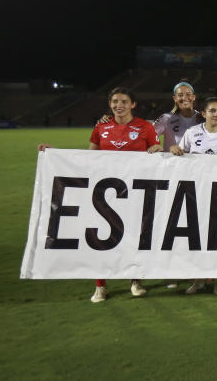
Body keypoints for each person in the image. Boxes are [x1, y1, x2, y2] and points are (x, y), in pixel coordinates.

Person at [39, 87, 163, 303]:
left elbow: (157, 152)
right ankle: (100, 286)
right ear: (110, 104)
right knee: (99, 237)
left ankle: (135, 280)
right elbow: (89, 157)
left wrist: (156, 149)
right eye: (115, 101)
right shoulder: (102, 127)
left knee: (134, 237)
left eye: (124, 101)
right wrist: (53, 154)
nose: (119, 105)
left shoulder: (145, 126)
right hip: (104, 191)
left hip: (134, 193)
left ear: (133, 104)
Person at [170, 97, 217, 295]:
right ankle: (199, 279)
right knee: (197, 236)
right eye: (212, 110)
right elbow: (181, 154)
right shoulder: (191, 133)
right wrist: (173, 149)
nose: (216, 114)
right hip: (196, 192)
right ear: (203, 113)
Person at [152, 81, 204, 152]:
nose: (184, 98)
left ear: (193, 97)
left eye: (188, 94)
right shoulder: (166, 118)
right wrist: (156, 145)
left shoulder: (203, 118)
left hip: (197, 161)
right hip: (172, 161)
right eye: (180, 95)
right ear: (175, 98)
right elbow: (150, 135)